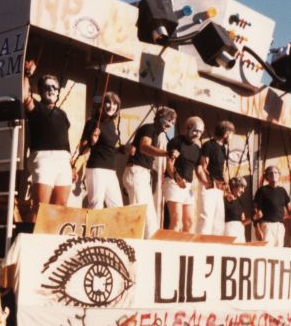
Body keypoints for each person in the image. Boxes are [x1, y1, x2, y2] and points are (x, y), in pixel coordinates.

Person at [23, 62, 73, 215]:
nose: (51, 90)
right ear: (40, 90)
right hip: (44, 158)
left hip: (64, 161)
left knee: (60, 207)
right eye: (47, 87)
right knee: (41, 207)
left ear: (58, 91)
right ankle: (33, 238)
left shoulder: (62, 114)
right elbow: (25, 96)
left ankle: (52, 238)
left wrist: (72, 165)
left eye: (54, 87)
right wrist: (26, 74)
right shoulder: (36, 106)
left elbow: (65, 141)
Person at [122, 106, 177, 238]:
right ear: (159, 119)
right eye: (167, 121)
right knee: (138, 212)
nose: (168, 126)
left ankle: (150, 246)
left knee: (150, 216)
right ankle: (134, 245)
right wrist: (166, 153)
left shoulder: (157, 133)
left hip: (142, 174)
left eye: (171, 123)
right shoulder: (149, 128)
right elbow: (144, 147)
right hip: (136, 171)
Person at [79, 92, 124, 209]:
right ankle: (91, 228)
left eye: (115, 104)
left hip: (111, 170)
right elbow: (81, 150)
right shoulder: (93, 122)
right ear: (102, 104)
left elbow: (108, 148)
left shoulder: (112, 124)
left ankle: (112, 228)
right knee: (96, 204)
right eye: (108, 102)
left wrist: (121, 149)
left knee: (117, 207)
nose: (111, 106)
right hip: (96, 169)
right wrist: (92, 142)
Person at [164, 116, 208, 233]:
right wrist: (177, 178)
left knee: (190, 223)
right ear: (188, 128)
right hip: (173, 183)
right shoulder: (177, 142)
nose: (197, 134)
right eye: (195, 131)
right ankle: (170, 249)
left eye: (200, 132)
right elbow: (169, 164)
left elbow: (199, 170)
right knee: (176, 221)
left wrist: (207, 183)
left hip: (187, 186)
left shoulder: (197, 149)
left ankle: (185, 249)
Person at [198, 120, 235, 235]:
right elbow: (203, 167)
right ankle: (202, 244)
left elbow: (222, 170)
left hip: (219, 189)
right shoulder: (208, 145)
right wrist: (211, 182)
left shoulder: (223, 148)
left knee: (218, 220)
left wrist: (227, 189)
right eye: (232, 134)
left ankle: (214, 247)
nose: (231, 137)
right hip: (209, 186)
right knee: (206, 217)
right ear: (227, 133)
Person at [253, 166, 291, 247]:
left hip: (280, 226)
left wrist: (288, 226)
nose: (273, 174)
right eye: (271, 173)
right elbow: (255, 209)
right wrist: (257, 228)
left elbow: (290, 210)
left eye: (275, 172)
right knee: (266, 252)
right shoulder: (262, 190)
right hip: (267, 226)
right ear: (266, 176)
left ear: (279, 175)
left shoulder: (282, 191)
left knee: (278, 253)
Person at [223, 176, 250, 243]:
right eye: (242, 187)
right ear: (234, 186)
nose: (243, 191)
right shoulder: (224, 200)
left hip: (239, 232)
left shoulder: (240, 201)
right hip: (228, 231)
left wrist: (253, 218)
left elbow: (243, 221)